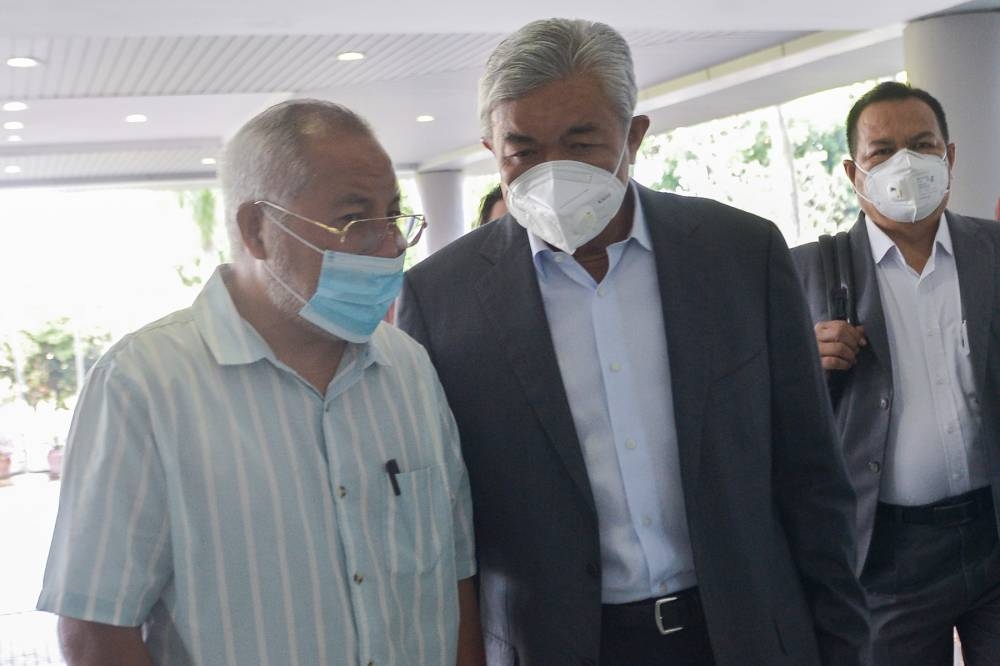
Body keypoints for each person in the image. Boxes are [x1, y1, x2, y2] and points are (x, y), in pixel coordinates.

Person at [398, 18, 870, 666]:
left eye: (581, 142)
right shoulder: (440, 298)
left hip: (747, 633)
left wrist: (844, 647)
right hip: (558, 645)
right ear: (491, 149)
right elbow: (447, 527)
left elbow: (813, 481)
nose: (552, 172)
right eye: (523, 152)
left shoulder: (741, 254)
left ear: (634, 136)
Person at [37, 99, 484, 666]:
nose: (390, 243)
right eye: (353, 219)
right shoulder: (144, 385)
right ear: (257, 229)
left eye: (392, 213)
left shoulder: (409, 368)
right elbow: (95, 625)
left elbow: (454, 574)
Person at [791, 81, 1000, 665]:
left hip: (994, 532)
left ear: (949, 157)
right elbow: (757, 406)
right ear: (853, 172)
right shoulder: (803, 274)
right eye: (883, 152)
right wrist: (803, 364)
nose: (905, 163)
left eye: (922, 144)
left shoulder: (994, 252)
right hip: (886, 558)